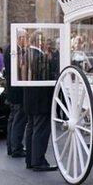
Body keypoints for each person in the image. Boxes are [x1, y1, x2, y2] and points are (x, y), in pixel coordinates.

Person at [23, 33, 57, 171]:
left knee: (31, 127)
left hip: (29, 97)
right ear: (39, 42)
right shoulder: (40, 56)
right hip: (41, 98)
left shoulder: (27, 53)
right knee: (40, 129)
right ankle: (38, 161)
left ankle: (30, 160)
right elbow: (45, 77)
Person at [3, 38, 27, 158]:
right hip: (17, 90)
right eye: (25, 37)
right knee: (18, 119)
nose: (26, 40)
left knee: (13, 119)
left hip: (11, 90)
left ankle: (11, 147)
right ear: (20, 38)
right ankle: (16, 147)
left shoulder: (9, 48)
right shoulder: (15, 50)